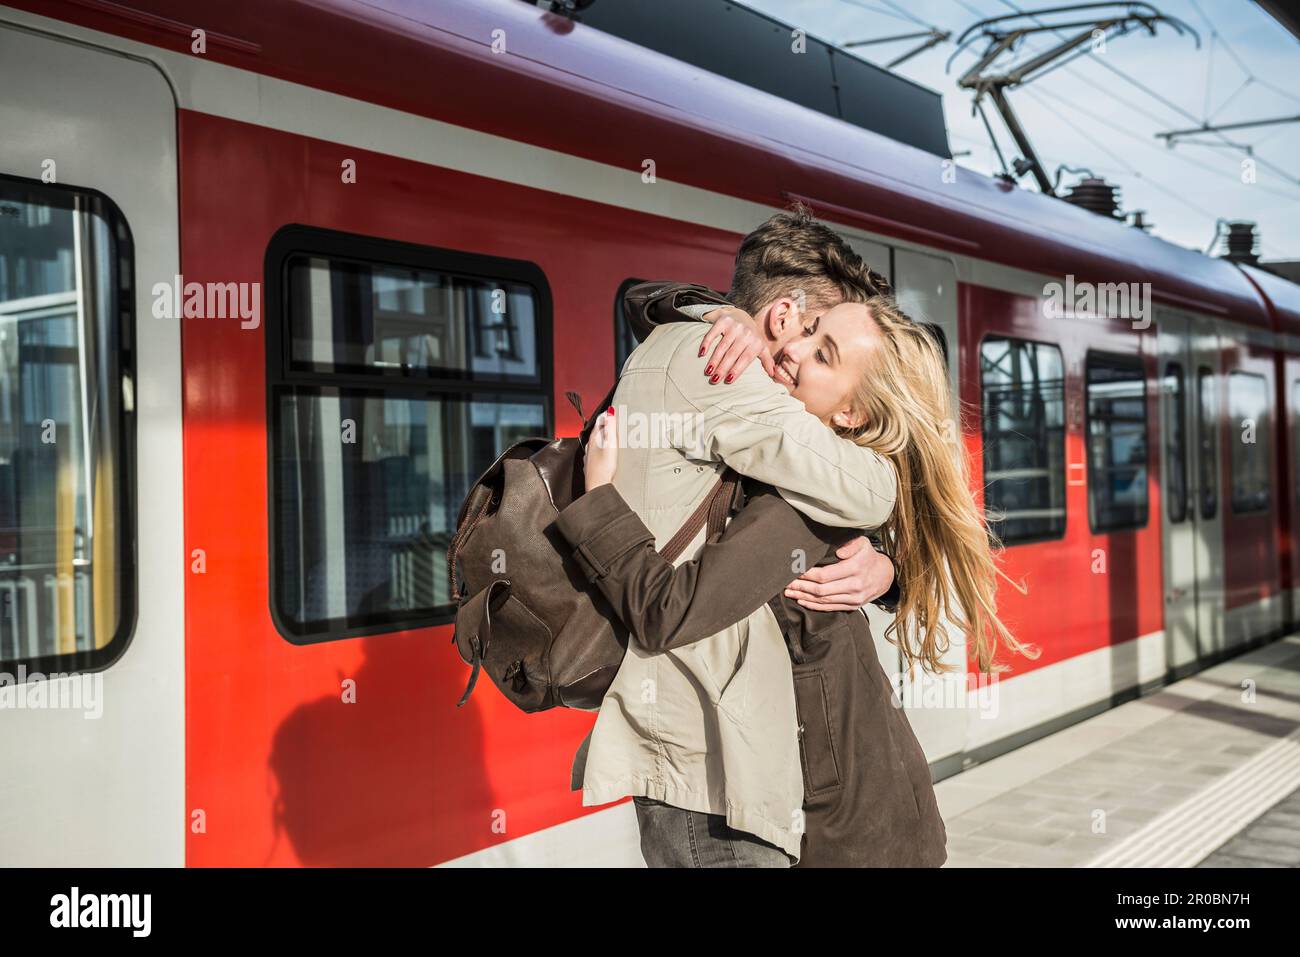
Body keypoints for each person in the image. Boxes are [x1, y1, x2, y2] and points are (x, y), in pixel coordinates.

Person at [559, 291, 1037, 866]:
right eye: (810, 329)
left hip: (849, 827)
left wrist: (598, 503)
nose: (791, 348)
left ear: (853, 413)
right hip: (867, 807)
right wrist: (715, 310)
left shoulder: (808, 501)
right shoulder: (806, 471)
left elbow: (669, 613)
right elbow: (643, 295)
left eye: (823, 355)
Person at [559, 208, 905, 865]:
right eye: (818, 337)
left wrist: (887, 569)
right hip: (711, 763)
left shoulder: (680, 344)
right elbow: (873, 489)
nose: (802, 357)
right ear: (782, 318)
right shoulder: (721, 366)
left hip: (713, 751)